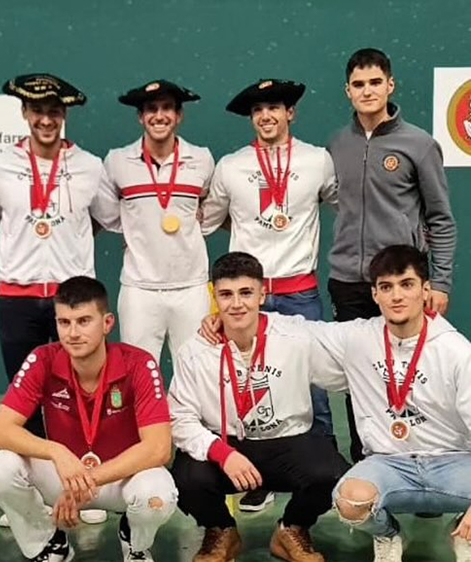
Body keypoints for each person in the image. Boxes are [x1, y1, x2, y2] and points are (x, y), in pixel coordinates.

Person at [200, 79, 338, 511]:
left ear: (290, 113)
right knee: (249, 387)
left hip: (300, 293)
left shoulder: (318, 160)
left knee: (313, 387)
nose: (266, 116)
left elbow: (339, 205)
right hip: (248, 297)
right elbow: (213, 219)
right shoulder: (230, 166)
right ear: (251, 118)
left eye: (275, 107)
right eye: (258, 110)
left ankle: (327, 472)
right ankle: (257, 478)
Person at [170, 252, 349, 562]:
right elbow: (179, 417)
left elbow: (350, 354)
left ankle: (292, 528)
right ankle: (221, 530)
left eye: (245, 293)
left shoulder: (296, 335)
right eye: (226, 294)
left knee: (332, 473)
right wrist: (222, 454)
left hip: (287, 443)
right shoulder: (194, 350)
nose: (236, 304)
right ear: (214, 296)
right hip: (226, 445)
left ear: (262, 294)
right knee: (186, 479)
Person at [0, 276, 177, 562]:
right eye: (64, 322)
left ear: (107, 323)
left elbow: (159, 448)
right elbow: (0, 431)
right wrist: (56, 451)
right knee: (1, 468)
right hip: (64, 474)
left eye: (84, 321)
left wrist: (87, 481)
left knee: (156, 497)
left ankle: (135, 542)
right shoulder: (42, 359)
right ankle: (48, 542)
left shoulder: (139, 363)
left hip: (120, 478)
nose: (73, 333)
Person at [327, 48, 457, 463]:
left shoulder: (419, 144)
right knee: (359, 377)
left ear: (390, 85)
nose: (368, 91)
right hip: (349, 281)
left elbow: (441, 219)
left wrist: (439, 281)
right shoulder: (337, 144)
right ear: (348, 91)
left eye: (375, 82)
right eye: (359, 84)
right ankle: (367, 464)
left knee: (414, 375)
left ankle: (426, 463)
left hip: (402, 281)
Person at [0, 73, 119, 440]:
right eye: (37, 110)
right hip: (17, 299)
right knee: (27, 397)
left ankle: (83, 471)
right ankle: (35, 479)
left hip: (70, 301)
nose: (45, 119)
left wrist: (69, 236)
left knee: (76, 393)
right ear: (24, 112)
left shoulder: (90, 165)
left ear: (64, 115)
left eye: (54, 111)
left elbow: (108, 217)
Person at [307, 245, 471, 562]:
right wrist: (233, 322)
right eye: (386, 287)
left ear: (425, 291)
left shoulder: (456, 351)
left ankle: (461, 532)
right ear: (375, 295)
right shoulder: (358, 338)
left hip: (454, 463)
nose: (396, 296)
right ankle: (389, 535)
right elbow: (296, 333)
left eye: (406, 284)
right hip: (389, 464)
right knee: (350, 501)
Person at [102, 79, 215, 364]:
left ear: (179, 115)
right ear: (141, 116)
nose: (159, 115)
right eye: (151, 109)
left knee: (197, 372)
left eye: (167, 108)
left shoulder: (202, 159)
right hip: (139, 289)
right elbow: (111, 217)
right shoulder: (117, 161)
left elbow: (208, 210)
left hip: (192, 288)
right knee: (137, 374)